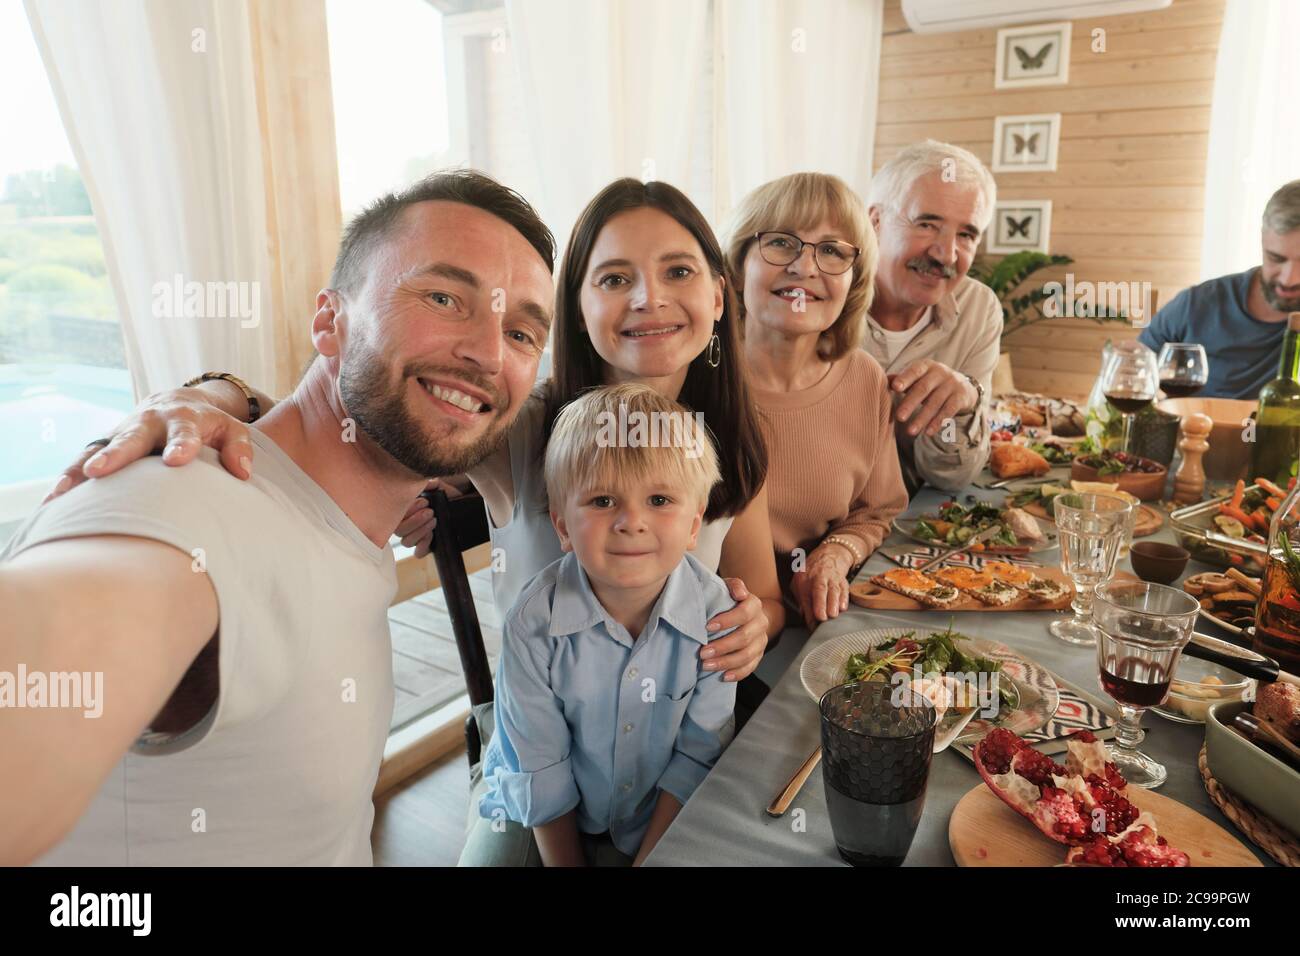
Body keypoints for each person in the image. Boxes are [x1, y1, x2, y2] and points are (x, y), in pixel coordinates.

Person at [0, 170, 557, 865]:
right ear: (329, 321)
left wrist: (219, 389)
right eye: (443, 297)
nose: (487, 352)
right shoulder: (180, 500)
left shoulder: (333, 511)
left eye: (523, 332)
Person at [48, 181, 781, 686]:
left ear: (719, 296)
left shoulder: (732, 443)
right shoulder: (527, 429)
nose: (649, 297)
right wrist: (213, 394)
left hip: (683, 737)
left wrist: (756, 627)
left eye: (678, 271)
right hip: (540, 748)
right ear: (579, 307)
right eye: (615, 278)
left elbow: (767, 599)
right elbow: (358, 413)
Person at [474, 383, 735, 866]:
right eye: (601, 501)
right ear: (562, 526)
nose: (631, 522)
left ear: (695, 525)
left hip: (658, 820)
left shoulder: (718, 618)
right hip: (539, 815)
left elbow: (697, 758)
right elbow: (540, 770)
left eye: (659, 500)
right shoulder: (533, 625)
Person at [726, 172, 908, 629]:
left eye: (831, 251)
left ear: (854, 279)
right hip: (711, 638)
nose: (805, 268)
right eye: (783, 243)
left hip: (818, 625)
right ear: (738, 263)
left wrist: (834, 553)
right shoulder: (696, 378)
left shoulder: (865, 379)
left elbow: (877, 510)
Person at [863, 140, 1002, 493]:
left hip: (904, 526)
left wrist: (964, 405)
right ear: (875, 221)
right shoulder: (819, 296)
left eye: (966, 234)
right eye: (927, 224)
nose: (946, 254)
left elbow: (951, 478)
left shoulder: (978, 309)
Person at [1139, 179, 1300, 399]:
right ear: (1262, 241)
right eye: (1276, 259)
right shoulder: (1199, 303)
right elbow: (1135, 366)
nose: (1289, 279)